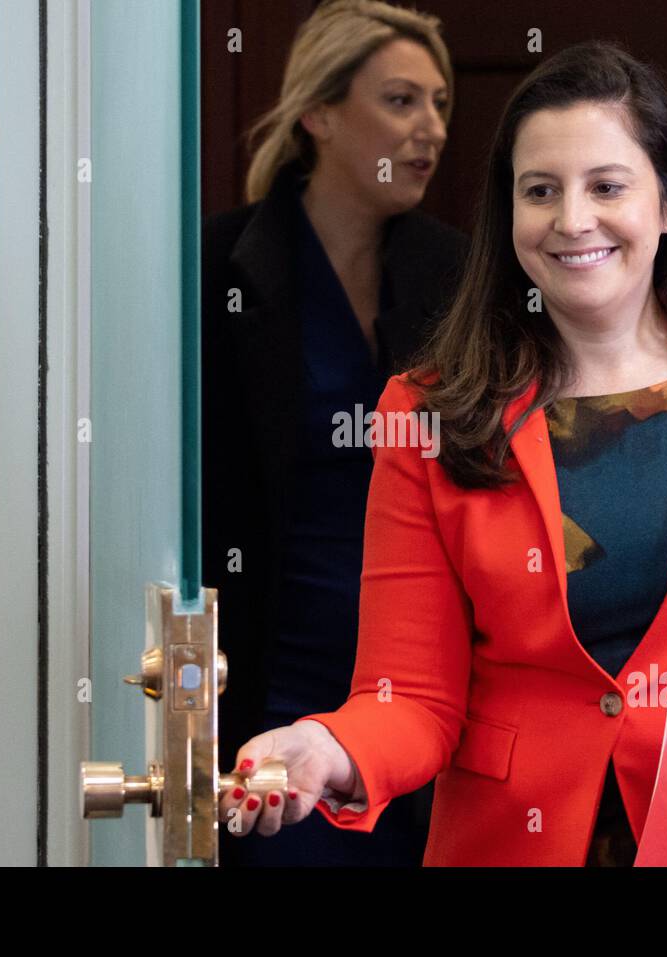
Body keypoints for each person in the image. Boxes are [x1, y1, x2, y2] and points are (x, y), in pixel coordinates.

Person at [218, 39, 667, 866]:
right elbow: (414, 696)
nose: (573, 219)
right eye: (540, 190)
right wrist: (328, 746)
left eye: (607, 185)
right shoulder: (428, 413)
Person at [201, 0, 467, 866]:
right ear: (318, 112)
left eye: (439, 103)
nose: (429, 128)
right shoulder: (217, 265)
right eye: (400, 101)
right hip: (275, 675)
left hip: (425, 689)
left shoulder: (455, 275)